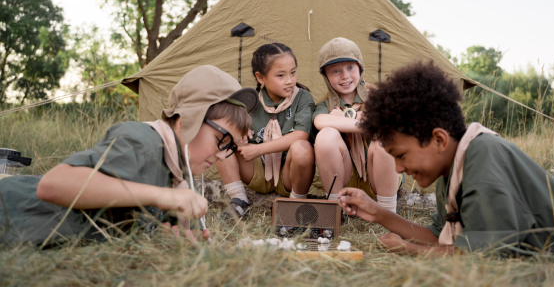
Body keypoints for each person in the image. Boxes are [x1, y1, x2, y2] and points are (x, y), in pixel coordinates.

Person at [338, 61, 554, 257]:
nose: (399, 168)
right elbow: (441, 237)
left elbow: (484, 254)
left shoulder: (482, 157)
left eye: (401, 156)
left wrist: (410, 250)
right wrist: (378, 214)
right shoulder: (450, 169)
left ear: (439, 139)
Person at [0, 65, 257, 245]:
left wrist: (170, 240)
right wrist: (165, 196)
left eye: (231, 147)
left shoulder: (176, 173)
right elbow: (53, 185)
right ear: (187, 120)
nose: (224, 155)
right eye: (222, 140)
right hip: (11, 211)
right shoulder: (142, 141)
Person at [216, 43, 315, 219]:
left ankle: (295, 202)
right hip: (256, 171)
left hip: (288, 175)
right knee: (222, 137)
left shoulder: (303, 97)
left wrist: (259, 149)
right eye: (280, 75)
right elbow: (226, 128)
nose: (289, 80)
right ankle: (239, 200)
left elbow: (301, 134)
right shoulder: (248, 101)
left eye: (293, 72)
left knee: (302, 147)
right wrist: (237, 134)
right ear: (261, 78)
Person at [313, 37, 400, 213]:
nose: (345, 76)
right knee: (326, 135)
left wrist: (342, 122)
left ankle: (388, 213)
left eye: (350, 68)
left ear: (360, 67)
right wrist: (362, 123)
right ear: (326, 77)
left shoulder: (378, 97)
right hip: (346, 181)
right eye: (335, 71)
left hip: (380, 178)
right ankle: (335, 209)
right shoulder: (326, 105)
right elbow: (320, 121)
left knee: (384, 138)